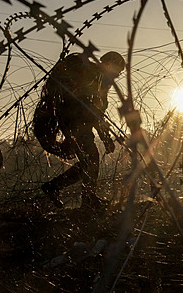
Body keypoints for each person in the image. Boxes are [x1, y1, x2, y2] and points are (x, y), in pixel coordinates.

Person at [39, 51, 125, 210]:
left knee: (89, 160)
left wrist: (104, 136)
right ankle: (87, 199)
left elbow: (97, 113)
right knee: (91, 158)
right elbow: (92, 109)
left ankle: (56, 187)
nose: (115, 77)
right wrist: (104, 135)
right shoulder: (90, 74)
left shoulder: (101, 80)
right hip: (73, 122)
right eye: (116, 72)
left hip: (79, 123)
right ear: (108, 65)